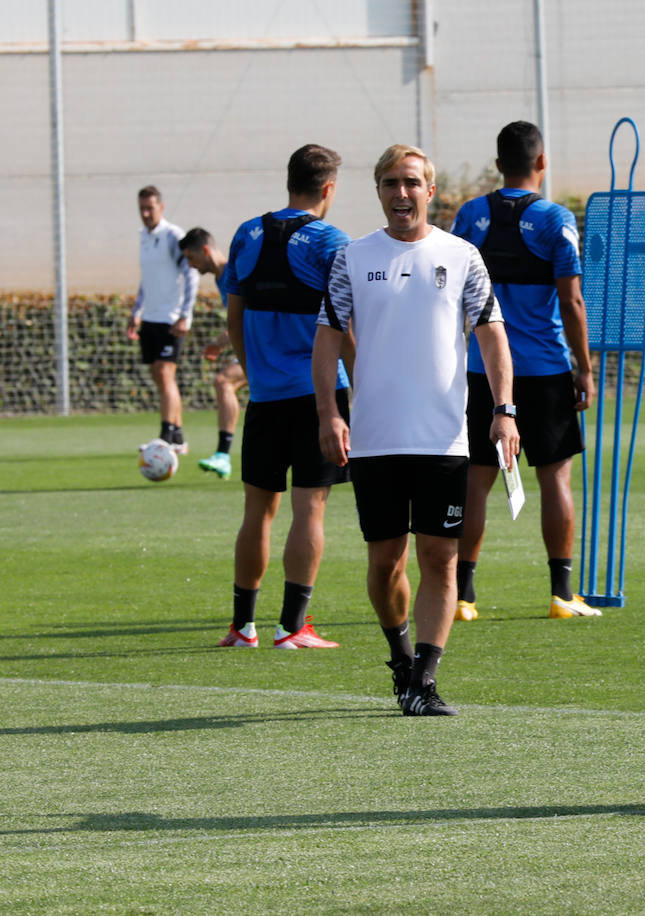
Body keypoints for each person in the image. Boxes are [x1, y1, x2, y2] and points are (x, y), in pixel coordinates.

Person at [313, 144, 520, 716]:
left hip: (444, 440)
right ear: (378, 191)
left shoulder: (462, 256)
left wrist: (504, 410)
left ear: (430, 191)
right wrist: (330, 412)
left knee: (440, 558)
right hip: (375, 439)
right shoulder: (352, 257)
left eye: (410, 183)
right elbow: (328, 337)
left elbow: (492, 333)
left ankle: (424, 681)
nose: (400, 194)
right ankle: (400, 660)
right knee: (385, 563)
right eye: (389, 184)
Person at [450, 120, 599, 621]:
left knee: (475, 482)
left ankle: (463, 597)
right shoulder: (557, 219)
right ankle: (561, 594)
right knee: (555, 479)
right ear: (542, 162)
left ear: (498, 165)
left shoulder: (469, 216)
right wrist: (584, 365)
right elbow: (572, 298)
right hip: (542, 369)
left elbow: (448, 293)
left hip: (482, 370)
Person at [217, 144, 351, 650]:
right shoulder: (329, 240)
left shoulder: (246, 233)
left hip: (266, 398)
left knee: (258, 511)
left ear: (288, 181)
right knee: (310, 509)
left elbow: (234, 317)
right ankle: (293, 626)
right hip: (319, 398)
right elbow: (347, 324)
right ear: (328, 188)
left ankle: (241, 626)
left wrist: (255, 374)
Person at [127, 186, 198, 454]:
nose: (146, 213)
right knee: (162, 377)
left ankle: (166, 437)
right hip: (152, 318)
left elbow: (190, 274)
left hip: (171, 318)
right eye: (142, 209)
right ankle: (178, 438)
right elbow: (147, 279)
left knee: (164, 372)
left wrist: (185, 315)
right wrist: (137, 312)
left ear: (161, 207)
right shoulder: (143, 237)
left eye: (150, 208)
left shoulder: (173, 236)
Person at [178, 227, 247, 480]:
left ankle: (223, 456)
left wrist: (219, 342)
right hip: (253, 346)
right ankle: (223, 455)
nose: (190, 265)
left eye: (191, 257)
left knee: (223, 381)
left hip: (265, 346)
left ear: (206, 250)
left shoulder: (234, 272)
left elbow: (244, 319)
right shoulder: (221, 279)